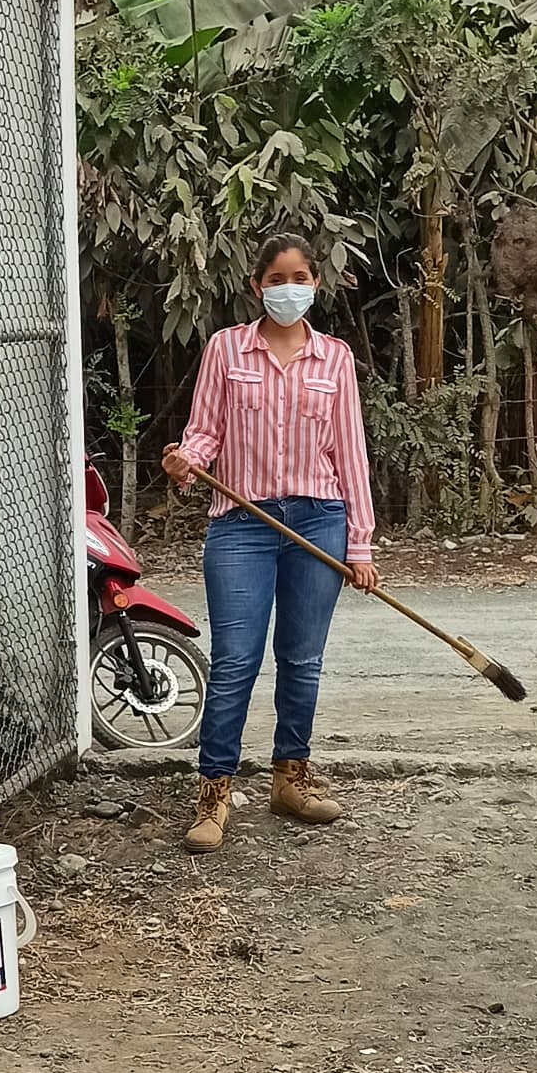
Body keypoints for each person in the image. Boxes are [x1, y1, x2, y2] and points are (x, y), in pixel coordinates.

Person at [162, 233, 378, 855]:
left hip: (318, 521)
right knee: (235, 660)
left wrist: (359, 545)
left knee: (302, 659)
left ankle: (291, 779)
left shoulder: (335, 358)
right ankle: (214, 791)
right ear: (257, 286)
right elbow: (205, 433)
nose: (290, 288)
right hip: (242, 523)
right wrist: (186, 461)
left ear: (316, 284)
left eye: (301, 277)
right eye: (278, 278)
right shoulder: (226, 348)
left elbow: (350, 454)